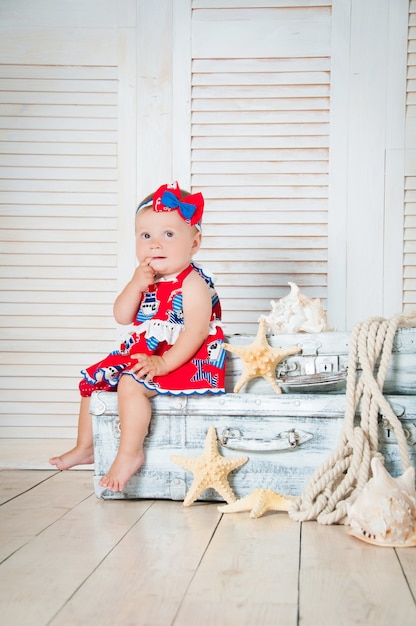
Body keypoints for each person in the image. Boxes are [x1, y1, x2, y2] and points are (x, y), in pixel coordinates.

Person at [50, 182, 226, 492]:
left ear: (194, 243)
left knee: (131, 384)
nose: (155, 244)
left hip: (184, 357)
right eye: (146, 236)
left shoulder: (192, 283)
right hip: (147, 353)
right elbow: (122, 315)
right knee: (96, 379)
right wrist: (135, 285)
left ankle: (130, 454)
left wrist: (164, 363)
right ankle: (85, 447)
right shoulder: (148, 279)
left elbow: (196, 331)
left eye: (168, 235)